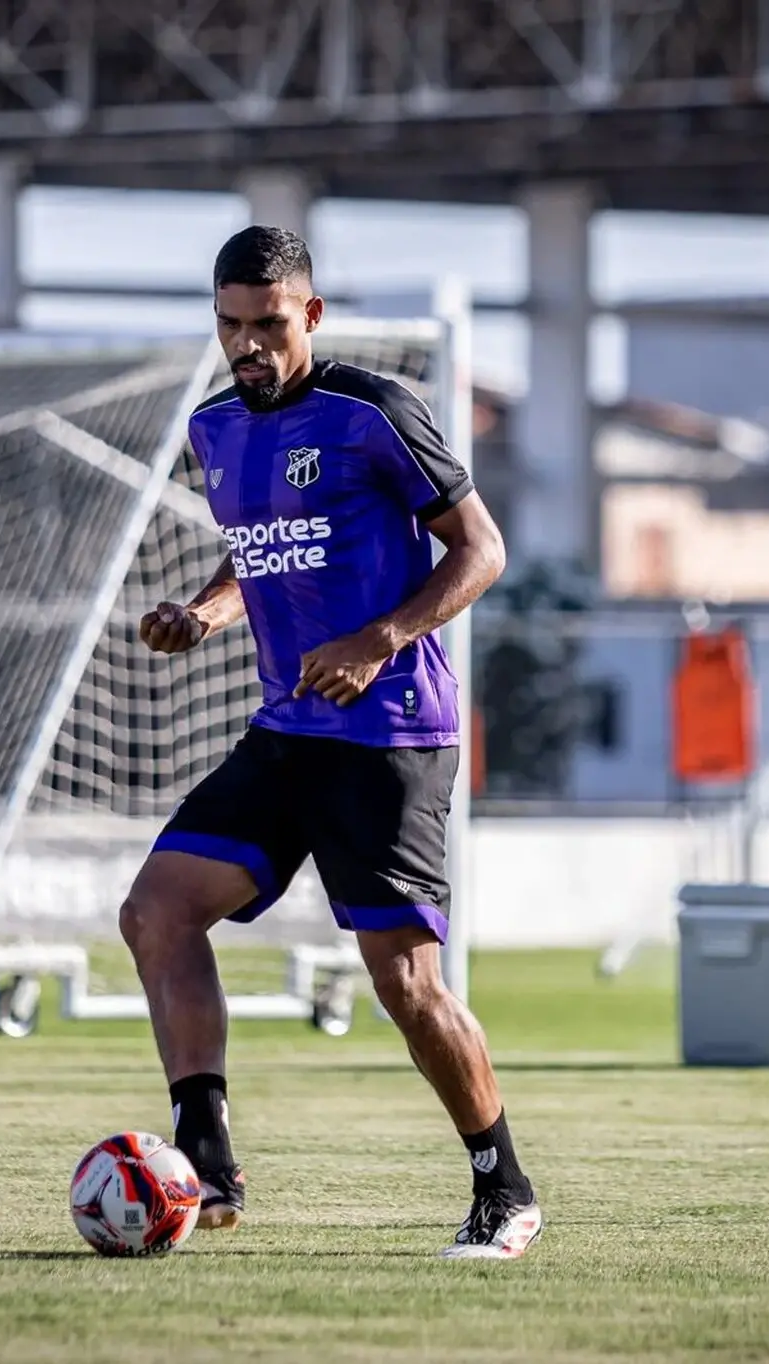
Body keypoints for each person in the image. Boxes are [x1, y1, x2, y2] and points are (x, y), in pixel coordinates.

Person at [120, 225, 540, 1259]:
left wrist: (375, 640)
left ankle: (504, 1185)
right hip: (286, 730)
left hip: (390, 734)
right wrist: (201, 615)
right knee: (156, 912)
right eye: (230, 325)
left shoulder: (373, 411)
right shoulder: (213, 428)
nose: (248, 344)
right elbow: (259, 556)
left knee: (406, 987)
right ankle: (206, 1156)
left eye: (268, 324)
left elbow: (482, 549)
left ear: (309, 314)